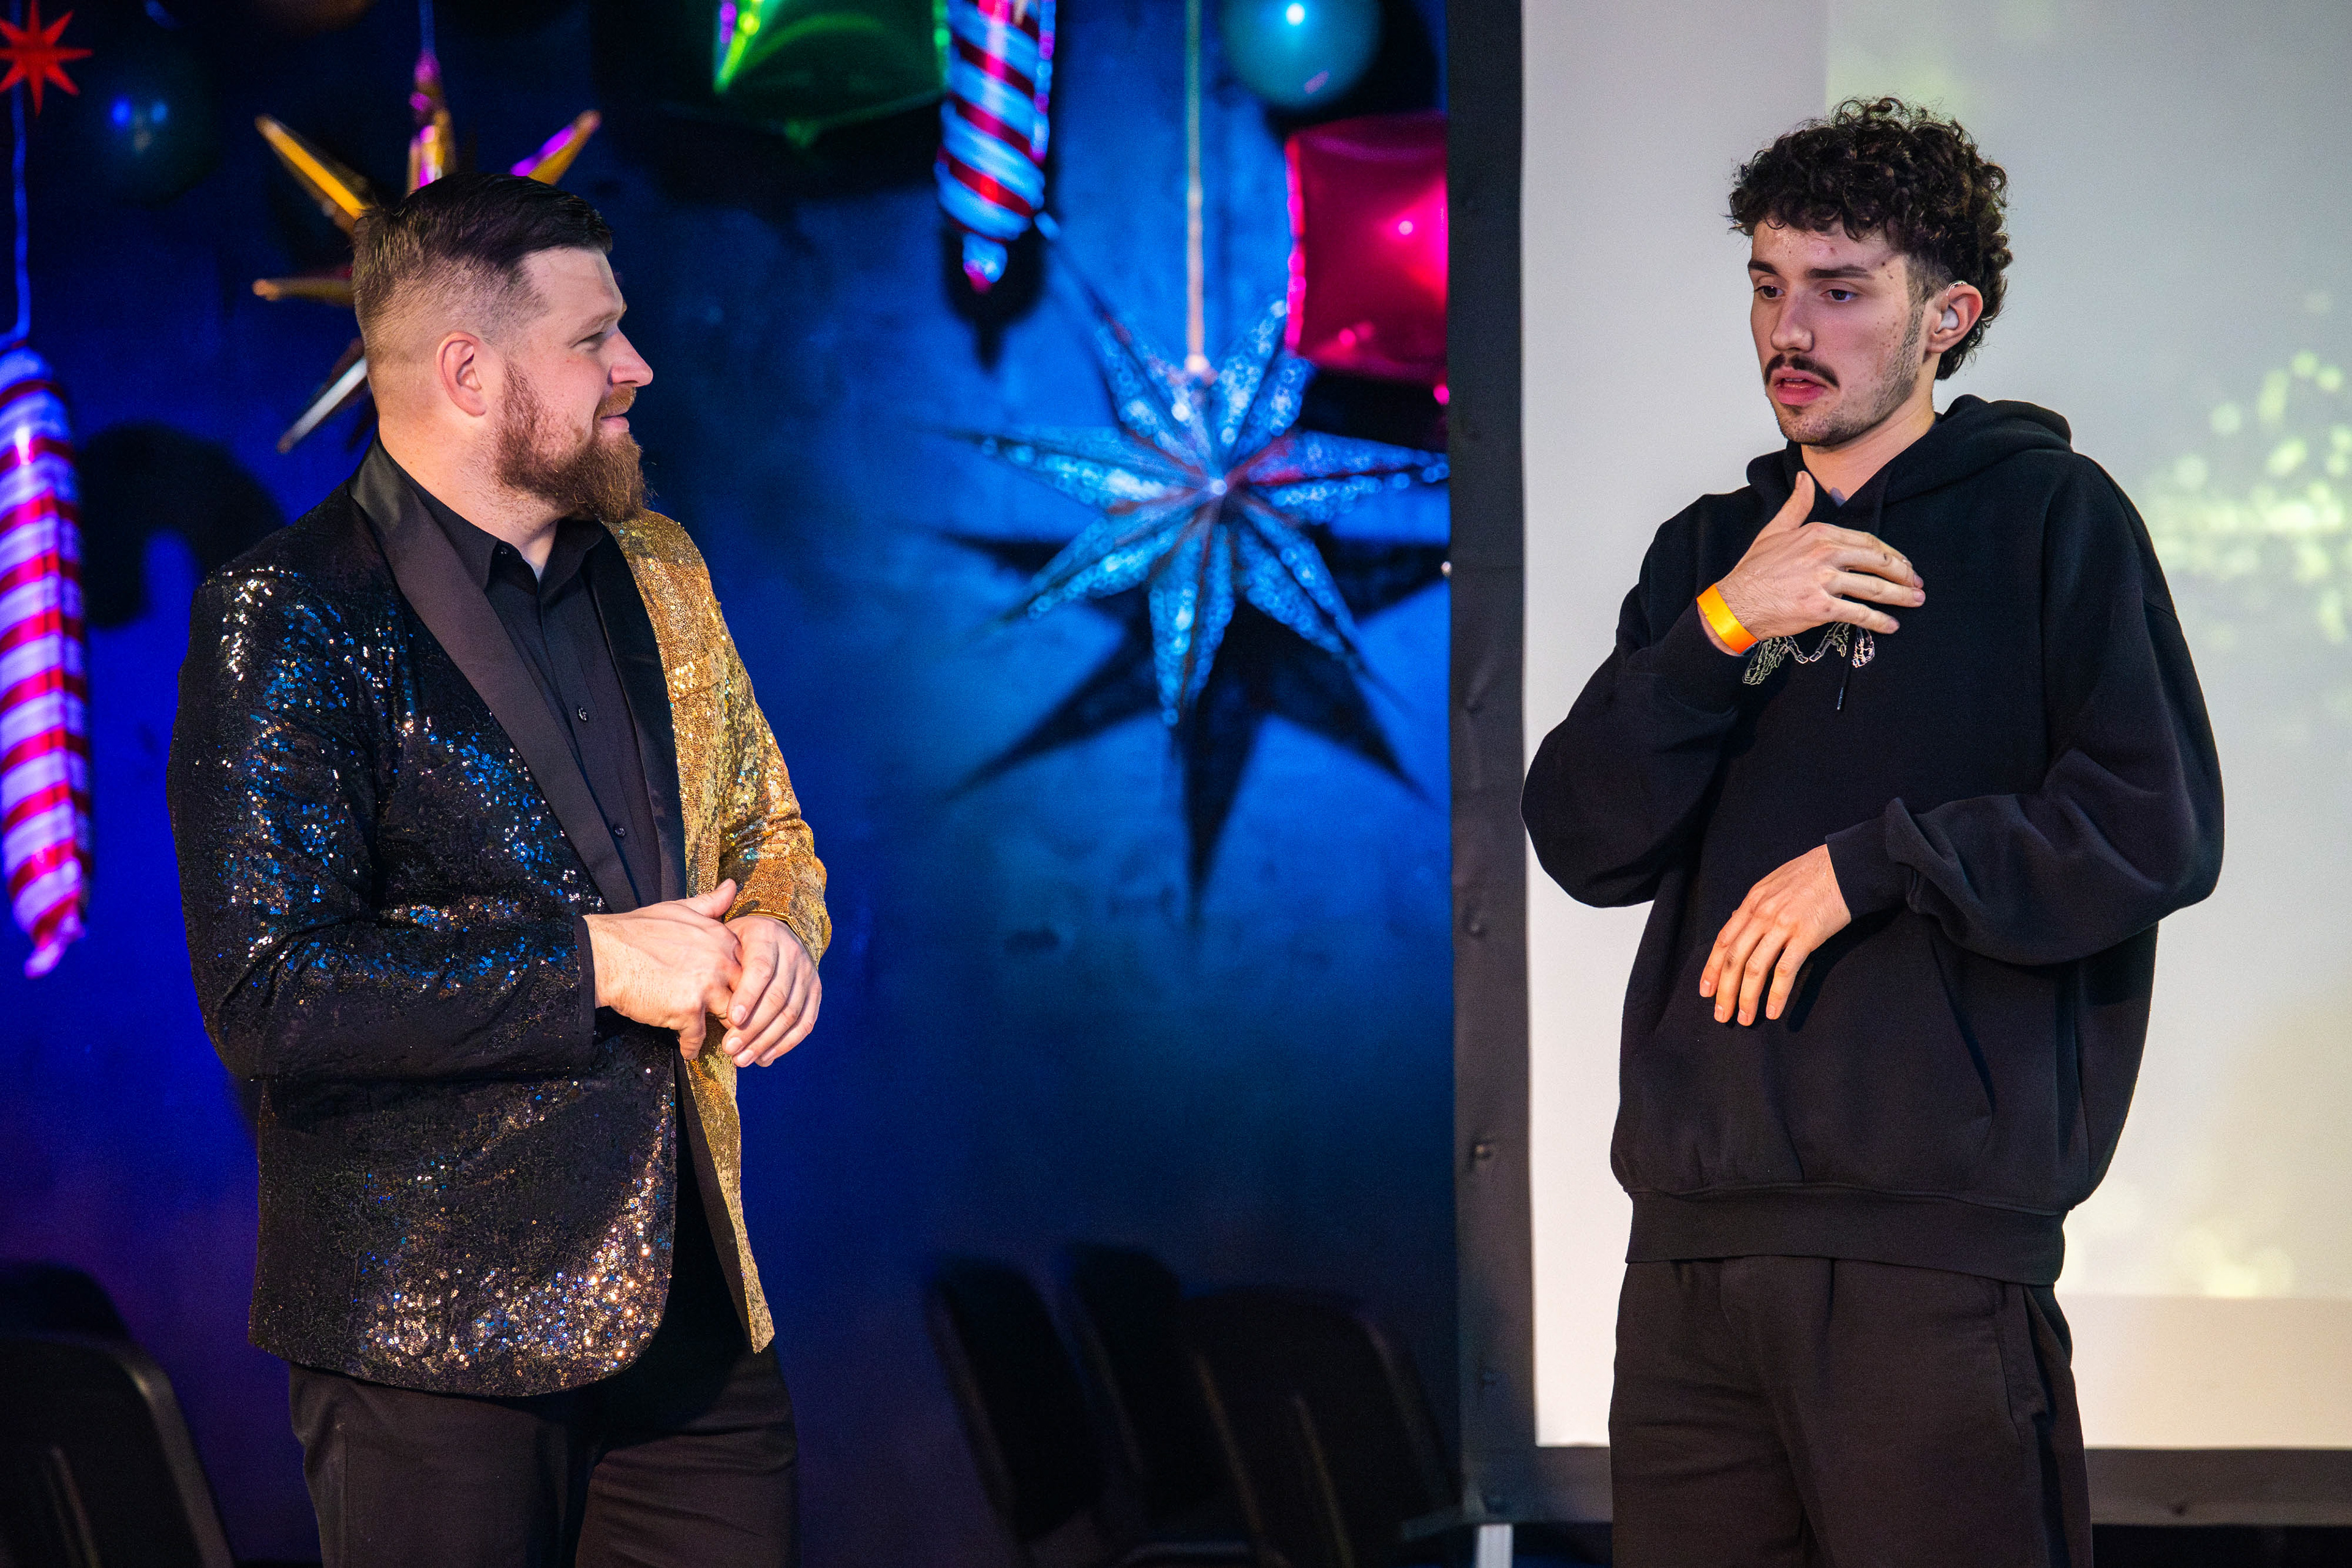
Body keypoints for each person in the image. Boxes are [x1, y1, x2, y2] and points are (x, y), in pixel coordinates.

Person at [1521, 99, 2223, 1567]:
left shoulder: (2053, 520)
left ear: (1944, 317)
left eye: (1841, 291)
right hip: (1694, 1260)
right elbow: (1582, 837)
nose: (1792, 329)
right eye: (1769, 285)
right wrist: (1721, 629)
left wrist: (1874, 865)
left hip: (1928, 1262)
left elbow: (2150, 823)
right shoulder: (1707, 553)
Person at [168, 172, 828, 1566]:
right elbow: (270, 992)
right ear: (469, 374)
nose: (636, 365)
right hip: (431, 1342)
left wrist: (779, 930)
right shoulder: (286, 612)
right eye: (594, 339)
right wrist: (598, 961)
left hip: (693, 1313)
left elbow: (768, 829)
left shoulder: (661, 564)